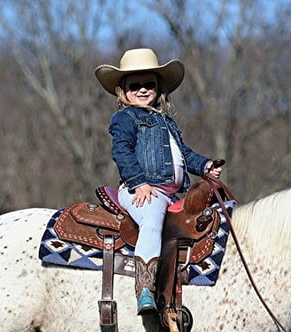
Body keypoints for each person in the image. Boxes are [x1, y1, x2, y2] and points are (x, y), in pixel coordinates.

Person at [95, 48, 223, 315]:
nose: (142, 90)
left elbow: (183, 154)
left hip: (174, 194)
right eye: (135, 85)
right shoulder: (126, 118)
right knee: (151, 221)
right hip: (141, 191)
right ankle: (144, 288)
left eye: (148, 84)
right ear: (123, 91)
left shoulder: (166, 122)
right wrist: (138, 181)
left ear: (158, 88)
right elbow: (121, 150)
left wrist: (205, 166)